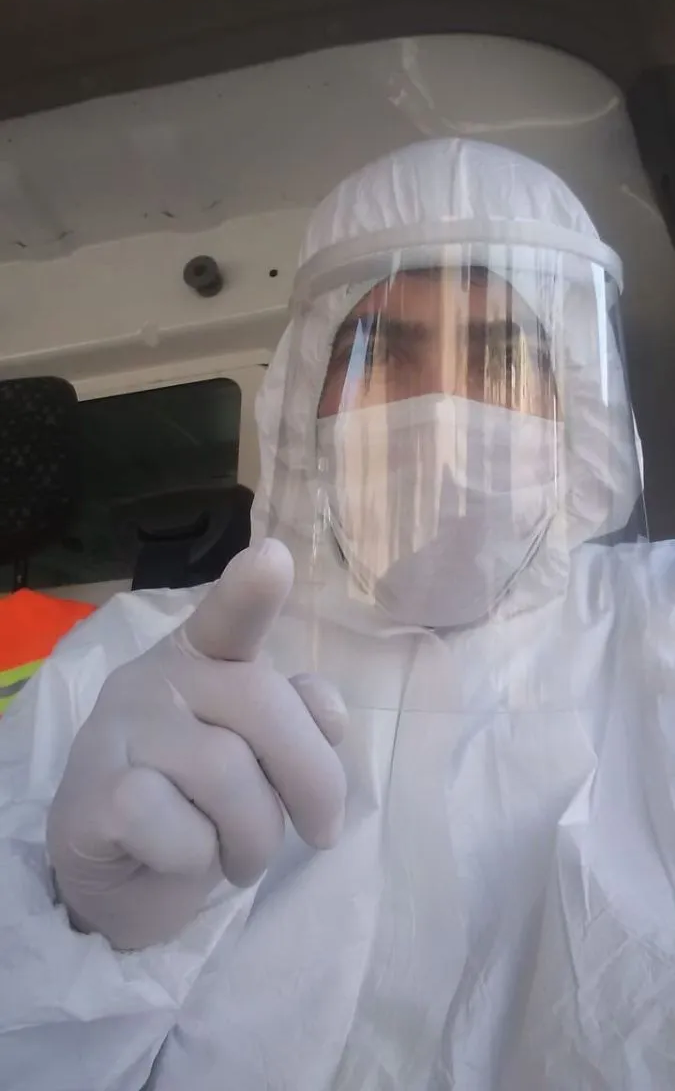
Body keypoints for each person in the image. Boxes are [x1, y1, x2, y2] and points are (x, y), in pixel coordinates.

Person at [1, 137, 673, 1091]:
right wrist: (86, 930)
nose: (443, 408)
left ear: (579, 406)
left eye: (501, 356)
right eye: (380, 351)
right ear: (303, 398)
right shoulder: (138, 659)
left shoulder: (656, 626)